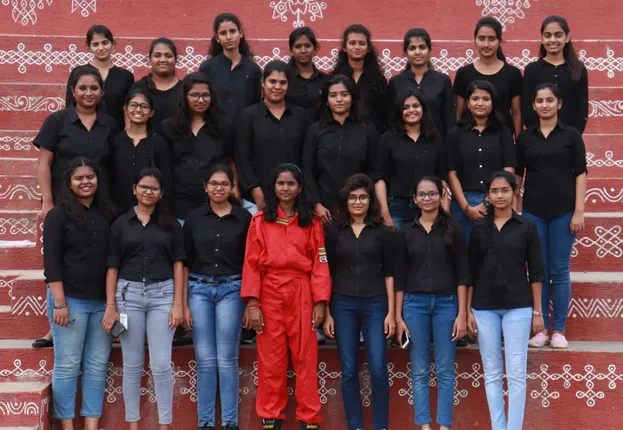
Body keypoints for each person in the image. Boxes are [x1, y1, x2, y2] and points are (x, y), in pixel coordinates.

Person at [241, 163, 331, 430]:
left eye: (291, 183)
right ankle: (270, 417)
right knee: (271, 359)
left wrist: (320, 301)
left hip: (302, 292)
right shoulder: (259, 221)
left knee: (306, 358)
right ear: (274, 187)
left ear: (300, 188)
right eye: (281, 183)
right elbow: (251, 263)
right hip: (269, 293)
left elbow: (320, 262)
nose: (285, 188)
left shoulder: (311, 222)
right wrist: (253, 303)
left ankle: (309, 419)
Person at [33, 65, 116, 349]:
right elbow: (44, 162)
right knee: (59, 257)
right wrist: (47, 201)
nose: (88, 93)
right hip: (63, 204)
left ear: (101, 92)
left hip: (98, 204)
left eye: (94, 88)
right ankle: (53, 325)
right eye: (82, 88)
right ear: (73, 91)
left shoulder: (109, 124)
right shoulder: (58, 121)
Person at [102, 167, 184, 430]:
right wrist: (110, 306)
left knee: (161, 364)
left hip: (164, 295)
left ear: (161, 194)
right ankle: (133, 424)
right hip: (129, 296)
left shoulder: (170, 224)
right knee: (132, 365)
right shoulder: (120, 224)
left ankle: (164, 424)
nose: (148, 192)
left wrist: (178, 304)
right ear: (134, 189)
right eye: (144, 187)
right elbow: (112, 265)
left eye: (154, 188)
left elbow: (179, 264)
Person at [43, 156, 117, 430]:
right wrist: (60, 304)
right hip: (69, 301)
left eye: (90, 177)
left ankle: (91, 426)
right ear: (69, 183)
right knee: (68, 365)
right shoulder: (57, 215)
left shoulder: (108, 213)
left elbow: (113, 261)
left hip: (102, 304)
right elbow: (51, 263)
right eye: (79, 178)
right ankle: (67, 426)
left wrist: (112, 304)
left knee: (97, 366)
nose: (86, 182)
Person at [467, 170, 545, 430]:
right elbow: (470, 272)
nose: (499, 195)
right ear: (488, 196)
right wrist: (467, 311)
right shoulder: (478, 229)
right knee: (491, 373)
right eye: (494, 191)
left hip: (519, 307)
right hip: (484, 308)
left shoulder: (527, 227)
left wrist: (537, 312)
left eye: (504, 190)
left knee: (516, 374)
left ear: (515, 193)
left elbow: (536, 271)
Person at [394, 176, 469, 430]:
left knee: (446, 370)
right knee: (420, 370)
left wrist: (461, 313)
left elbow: (462, 275)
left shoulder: (453, 230)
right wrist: (398, 316)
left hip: (447, 305)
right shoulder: (406, 233)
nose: (427, 198)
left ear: (441, 196)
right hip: (414, 306)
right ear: (414, 199)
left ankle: (444, 426)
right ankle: (424, 426)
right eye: (422, 194)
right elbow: (400, 278)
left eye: (432, 193)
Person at [516, 83, 587, 349]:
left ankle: (558, 329)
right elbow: (517, 175)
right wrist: (513, 207)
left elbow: (580, 173)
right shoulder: (525, 138)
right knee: (538, 270)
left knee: (559, 270)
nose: (544, 105)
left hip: (564, 211)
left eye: (549, 100)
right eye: (539, 100)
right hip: (533, 211)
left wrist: (578, 210)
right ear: (533, 105)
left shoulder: (571, 136)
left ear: (559, 103)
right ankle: (540, 328)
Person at [323, 174, 394, 430]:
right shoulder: (333, 232)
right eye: (353, 197)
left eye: (363, 197)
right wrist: (328, 311)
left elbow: (390, 273)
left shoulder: (382, 232)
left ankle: (380, 426)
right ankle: (355, 425)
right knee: (350, 370)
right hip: (342, 305)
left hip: (376, 304)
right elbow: (326, 272)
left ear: (370, 200)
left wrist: (391, 313)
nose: (358, 201)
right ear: (345, 200)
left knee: (377, 367)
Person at [183, 164, 251, 430]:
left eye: (224, 184)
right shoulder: (194, 218)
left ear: (232, 187)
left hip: (232, 289)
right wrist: (183, 302)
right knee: (205, 358)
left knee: (226, 357)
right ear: (205, 187)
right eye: (214, 183)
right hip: (198, 288)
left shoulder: (244, 219)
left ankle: (231, 422)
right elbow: (185, 260)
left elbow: (250, 261)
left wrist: (251, 300)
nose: (219, 188)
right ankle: (206, 423)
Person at [303, 74, 380, 227]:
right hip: (325, 211)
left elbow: (375, 170)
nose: (339, 99)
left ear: (352, 98)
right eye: (333, 95)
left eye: (344, 95)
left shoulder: (366, 129)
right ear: (326, 100)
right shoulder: (315, 130)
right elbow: (307, 170)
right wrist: (317, 204)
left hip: (358, 211)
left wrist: (364, 202)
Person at [235, 61, 310, 213]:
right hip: (257, 201)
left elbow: (306, 158)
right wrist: (256, 193)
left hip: (294, 201)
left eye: (283, 82)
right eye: (272, 81)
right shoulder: (248, 116)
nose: (277, 87)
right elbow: (242, 158)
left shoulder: (300, 116)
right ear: (263, 82)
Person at [446, 80, 516, 241]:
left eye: (486, 99)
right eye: (475, 98)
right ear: (468, 103)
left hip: (496, 201)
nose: (480, 103)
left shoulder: (503, 132)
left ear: (493, 103)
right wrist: (466, 207)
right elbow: (451, 173)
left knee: (493, 256)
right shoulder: (455, 133)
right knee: (463, 256)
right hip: (463, 201)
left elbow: (509, 169)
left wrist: (487, 201)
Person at [160, 72, 234, 222]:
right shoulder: (169, 127)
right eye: (194, 95)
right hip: (179, 203)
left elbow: (231, 160)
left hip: (214, 202)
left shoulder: (224, 126)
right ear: (185, 97)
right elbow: (164, 166)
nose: (200, 100)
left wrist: (234, 187)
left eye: (205, 95)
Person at [376, 88, 447, 232]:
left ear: (423, 108)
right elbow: (380, 178)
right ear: (399, 112)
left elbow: (442, 178)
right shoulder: (388, 139)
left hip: (429, 206)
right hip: (397, 207)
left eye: (416, 106)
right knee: (398, 252)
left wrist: (444, 211)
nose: (411, 110)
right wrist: (384, 212)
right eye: (405, 107)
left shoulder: (434, 139)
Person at [453, 17, 523, 136]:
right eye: (481, 38)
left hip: (502, 140)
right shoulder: (464, 73)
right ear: (474, 40)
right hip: (470, 139)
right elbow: (459, 113)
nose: (486, 44)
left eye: (491, 39)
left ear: (499, 41)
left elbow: (517, 114)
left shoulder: (513, 73)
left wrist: (519, 145)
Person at [522, 15, 589, 134]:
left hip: (570, 140)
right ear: (542, 39)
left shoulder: (578, 69)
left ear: (567, 37)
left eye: (558, 35)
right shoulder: (532, 70)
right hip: (538, 138)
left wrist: (573, 136)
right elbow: (527, 109)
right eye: (547, 35)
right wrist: (540, 134)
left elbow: (582, 109)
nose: (553, 40)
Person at [109, 89, 172, 213]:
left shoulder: (159, 143)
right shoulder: (114, 141)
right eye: (133, 105)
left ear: (151, 112)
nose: (138, 110)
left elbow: (166, 179)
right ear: (125, 109)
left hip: (151, 211)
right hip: (117, 210)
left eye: (144, 106)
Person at [65, 24, 134, 132]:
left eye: (105, 43)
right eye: (95, 44)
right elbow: (70, 106)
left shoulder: (125, 76)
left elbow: (128, 108)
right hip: (84, 133)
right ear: (89, 47)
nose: (101, 48)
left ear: (113, 44)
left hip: (116, 135)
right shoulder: (78, 73)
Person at [388, 28, 454, 137]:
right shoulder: (396, 82)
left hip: (436, 145)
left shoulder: (443, 80)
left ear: (430, 50)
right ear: (405, 52)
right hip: (404, 145)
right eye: (412, 48)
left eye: (422, 47)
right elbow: (391, 119)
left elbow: (449, 120)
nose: (418, 52)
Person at [199, 13, 262, 121]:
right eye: (223, 33)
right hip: (214, 130)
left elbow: (256, 105)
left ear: (240, 33)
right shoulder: (207, 68)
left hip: (244, 131)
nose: (228, 37)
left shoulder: (253, 70)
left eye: (232, 31)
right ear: (217, 38)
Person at [332, 24, 389, 132]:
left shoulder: (378, 80)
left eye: (362, 43)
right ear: (344, 47)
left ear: (368, 48)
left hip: (372, 136)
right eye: (352, 43)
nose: (357, 47)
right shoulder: (334, 79)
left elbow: (384, 114)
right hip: (341, 135)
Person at [130, 38, 183, 135]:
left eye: (168, 56)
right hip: (146, 146)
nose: (163, 60)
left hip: (177, 147)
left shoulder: (184, 89)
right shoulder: (139, 87)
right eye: (157, 55)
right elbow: (130, 123)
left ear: (176, 60)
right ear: (149, 59)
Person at [286, 26, 328, 120]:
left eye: (307, 46)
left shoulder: (325, 80)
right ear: (291, 50)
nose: (303, 51)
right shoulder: (284, 78)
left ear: (315, 48)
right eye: (298, 47)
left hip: (319, 132)